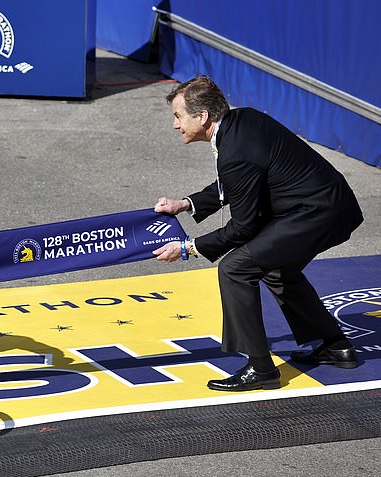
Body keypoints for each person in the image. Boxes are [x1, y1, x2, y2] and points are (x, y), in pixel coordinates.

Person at [152, 76, 363, 392]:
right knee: (277, 269)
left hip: (313, 214)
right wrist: (186, 204)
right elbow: (239, 183)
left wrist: (187, 247)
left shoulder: (235, 151)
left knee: (236, 268)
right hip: (328, 205)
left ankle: (261, 368)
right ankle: (336, 346)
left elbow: (243, 227)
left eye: (178, 116)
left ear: (202, 116)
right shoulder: (243, 120)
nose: (174, 125)